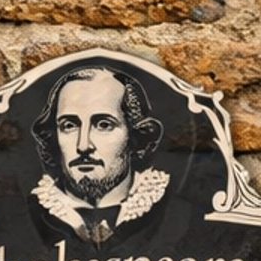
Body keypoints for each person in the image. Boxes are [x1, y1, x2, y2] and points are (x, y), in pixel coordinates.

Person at [29, 64, 169, 246]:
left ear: (135, 136)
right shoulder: (21, 219)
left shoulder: (177, 214)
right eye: (69, 126)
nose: (83, 145)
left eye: (104, 125)